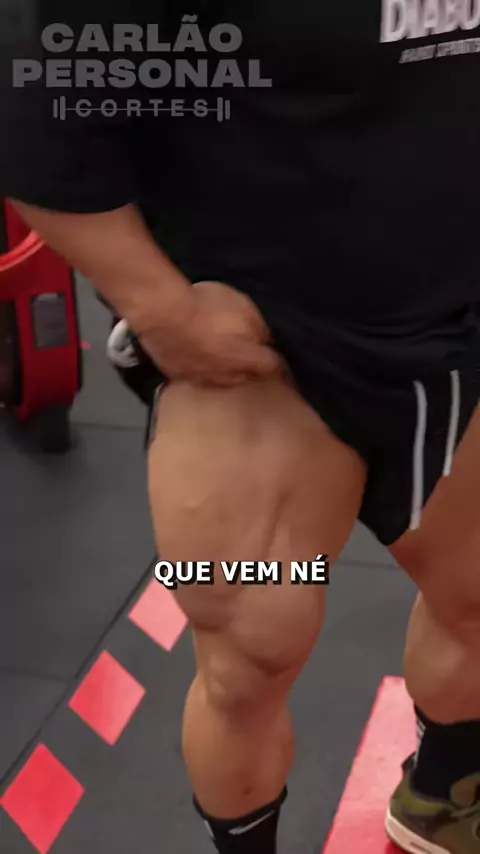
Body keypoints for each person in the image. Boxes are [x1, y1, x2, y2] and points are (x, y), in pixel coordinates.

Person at [2, 3, 480, 852]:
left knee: (477, 600)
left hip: (459, 334)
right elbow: (40, 105)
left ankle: (445, 801)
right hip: (264, 363)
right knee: (248, 656)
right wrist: (161, 307)